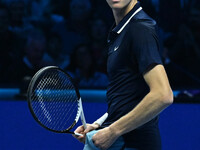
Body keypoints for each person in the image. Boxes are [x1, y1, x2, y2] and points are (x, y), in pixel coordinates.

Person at [73, 1, 173, 150]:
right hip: (119, 140)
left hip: (133, 143)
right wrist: (99, 124)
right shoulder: (121, 29)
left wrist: (113, 131)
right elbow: (130, 97)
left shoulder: (140, 28)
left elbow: (163, 95)